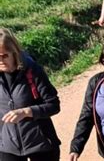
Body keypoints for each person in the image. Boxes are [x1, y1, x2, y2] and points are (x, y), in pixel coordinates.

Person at [0, 28, 61, 161]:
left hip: (41, 144)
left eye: (4, 56)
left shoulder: (33, 70)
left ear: (14, 53)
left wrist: (27, 112)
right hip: (8, 148)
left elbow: (54, 105)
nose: (1, 60)